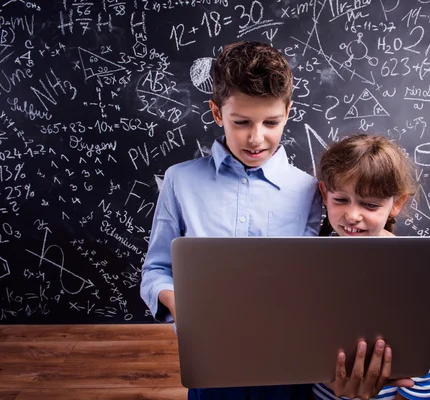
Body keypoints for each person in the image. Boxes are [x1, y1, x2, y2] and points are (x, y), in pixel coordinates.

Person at [140, 41, 409, 400]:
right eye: (241, 122)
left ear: (288, 111)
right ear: (217, 113)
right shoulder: (180, 181)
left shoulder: (313, 190)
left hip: (293, 363)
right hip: (214, 355)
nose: (256, 137)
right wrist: (179, 304)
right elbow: (156, 270)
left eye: (271, 122)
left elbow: (338, 271)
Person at [313, 134, 430, 400]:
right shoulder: (315, 259)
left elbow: (419, 360)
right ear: (325, 193)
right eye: (341, 200)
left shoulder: (412, 272)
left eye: (370, 205)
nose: (353, 215)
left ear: (397, 203)